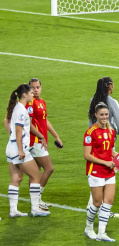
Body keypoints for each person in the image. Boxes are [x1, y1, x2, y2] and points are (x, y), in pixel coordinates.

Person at [5, 84, 49, 218]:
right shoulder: (22, 110)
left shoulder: (16, 108)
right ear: (24, 94)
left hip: (10, 149)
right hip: (19, 149)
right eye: (30, 92)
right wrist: (20, 150)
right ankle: (35, 209)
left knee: (16, 179)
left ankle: (13, 210)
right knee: (36, 176)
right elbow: (19, 131)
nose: (33, 94)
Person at [25, 78, 62, 210]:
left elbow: (45, 121)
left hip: (39, 140)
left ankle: (35, 201)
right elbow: (28, 124)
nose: (35, 90)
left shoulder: (42, 102)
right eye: (32, 88)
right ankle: (37, 200)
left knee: (36, 171)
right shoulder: (30, 103)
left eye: (37, 87)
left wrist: (56, 136)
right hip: (35, 141)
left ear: (41, 88)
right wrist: (41, 137)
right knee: (49, 168)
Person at [83, 102, 116, 240]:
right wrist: (105, 162)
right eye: (101, 115)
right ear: (96, 115)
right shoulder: (90, 132)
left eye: (106, 114)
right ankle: (88, 228)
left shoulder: (111, 131)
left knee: (108, 201)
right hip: (96, 171)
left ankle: (102, 232)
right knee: (97, 203)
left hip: (109, 171)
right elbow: (87, 155)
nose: (104, 117)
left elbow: (111, 151)